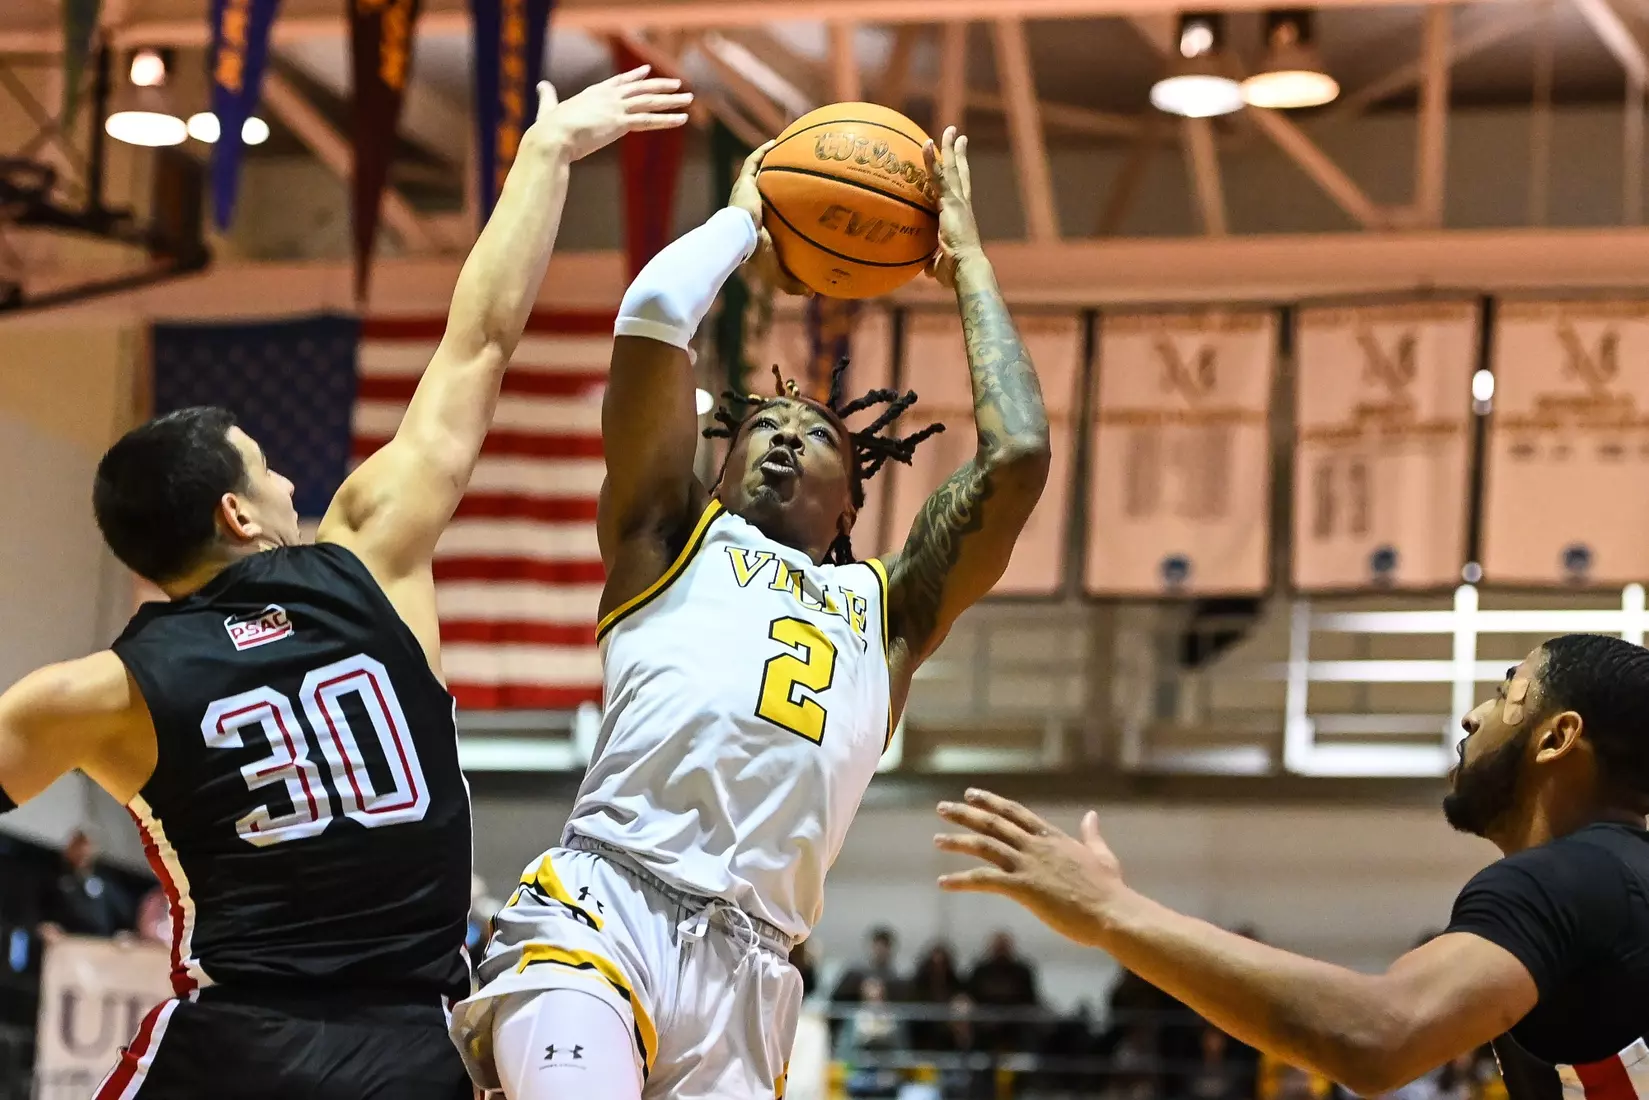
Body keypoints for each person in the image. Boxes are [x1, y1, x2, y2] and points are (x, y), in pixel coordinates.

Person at [0, 69, 690, 1099]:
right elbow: (481, 344)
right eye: (267, 465)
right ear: (239, 513)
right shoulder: (369, 556)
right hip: (409, 1047)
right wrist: (546, 156)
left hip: (232, 1047)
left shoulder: (101, 690)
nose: (288, 479)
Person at [448, 125, 1051, 1100]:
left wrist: (969, 260)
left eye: (812, 431)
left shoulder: (885, 606)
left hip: (755, 970)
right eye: (759, 423)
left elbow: (1016, 454)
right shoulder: (667, 536)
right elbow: (650, 311)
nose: (780, 435)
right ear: (717, 461)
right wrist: (741, 218)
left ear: (853, 497)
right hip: (607, 906)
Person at [934, 633, 1649, 1100]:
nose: (1471, 717)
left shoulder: (1561, 882)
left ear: (1556, 737)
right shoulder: (1617, 885)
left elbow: (1378, 1036)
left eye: (1502, 695)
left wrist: (1111, 913)